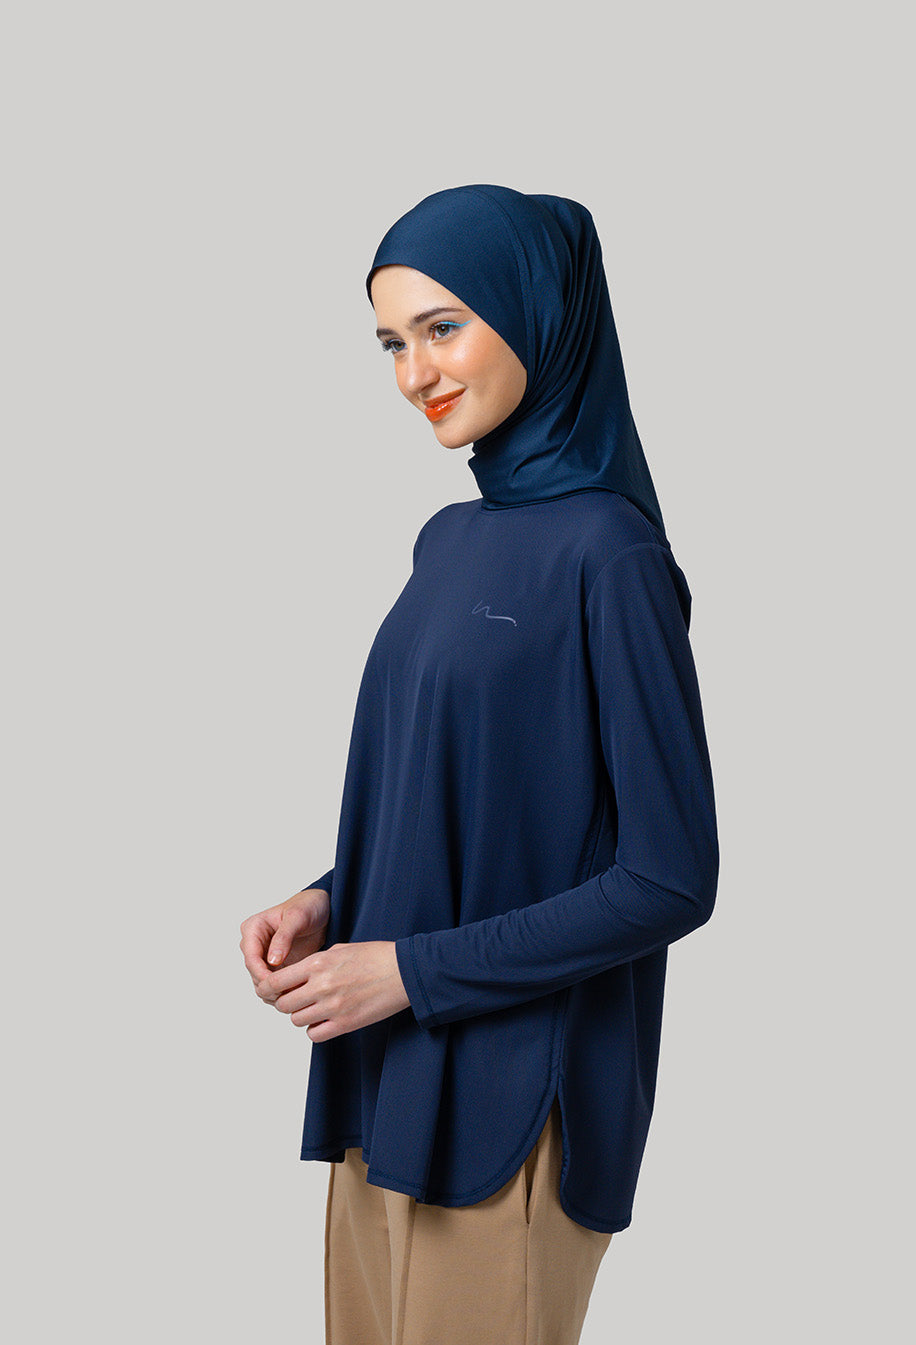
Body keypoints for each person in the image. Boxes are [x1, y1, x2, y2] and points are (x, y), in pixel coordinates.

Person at [239, 184, 719, 1345]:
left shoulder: (612, 555)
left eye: (443, 328)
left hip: (514, 1099)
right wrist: (332, 898)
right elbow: (471, 793)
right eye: (391, 343)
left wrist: (408, 969)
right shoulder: (449, 538)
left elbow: (669, 876)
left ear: (539, 314)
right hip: (386, 1078)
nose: (416, 374)